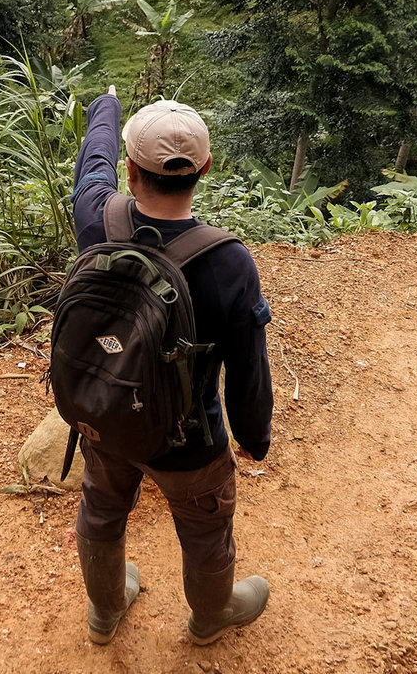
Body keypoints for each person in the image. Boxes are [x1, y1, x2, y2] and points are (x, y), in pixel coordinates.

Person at [70, 88, 274, 646]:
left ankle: (105, 609)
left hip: (108, 420)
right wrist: (254, 436)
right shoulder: (229, 261)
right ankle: (212, 616)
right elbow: (248, 367)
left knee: (104, 506)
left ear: (129, 172)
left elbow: (91, 167)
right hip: (191, 440)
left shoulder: (98, 220)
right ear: (205, 169)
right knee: (207, 528)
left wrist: (106, 108)